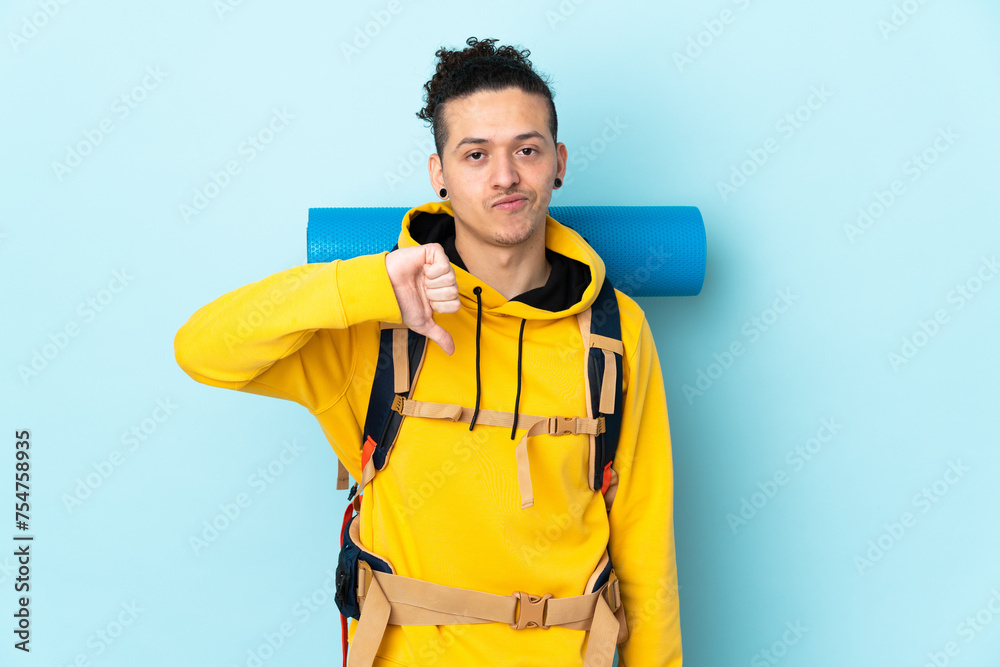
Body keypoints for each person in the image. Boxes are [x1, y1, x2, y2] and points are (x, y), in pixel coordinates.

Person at [174, 36, 682, 666]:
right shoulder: (373, 324)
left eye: (527, 149)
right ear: (439, 173)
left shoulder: (615, 330)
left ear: (559, 162)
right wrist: (369, 283)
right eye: (476, 154)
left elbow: (644, 536)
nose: (505, 176)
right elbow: (201, 349)